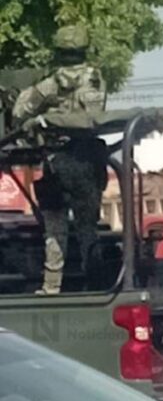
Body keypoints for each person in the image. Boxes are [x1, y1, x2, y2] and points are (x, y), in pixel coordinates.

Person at [12, 25, 107, 294]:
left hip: (59, 161)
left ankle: (51, 287)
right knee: (88, 229)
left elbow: (21, 109)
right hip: (89, 162)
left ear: (60, 51)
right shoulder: (98, 79)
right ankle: (97, 285)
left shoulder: (53, 82)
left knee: (55, 229)